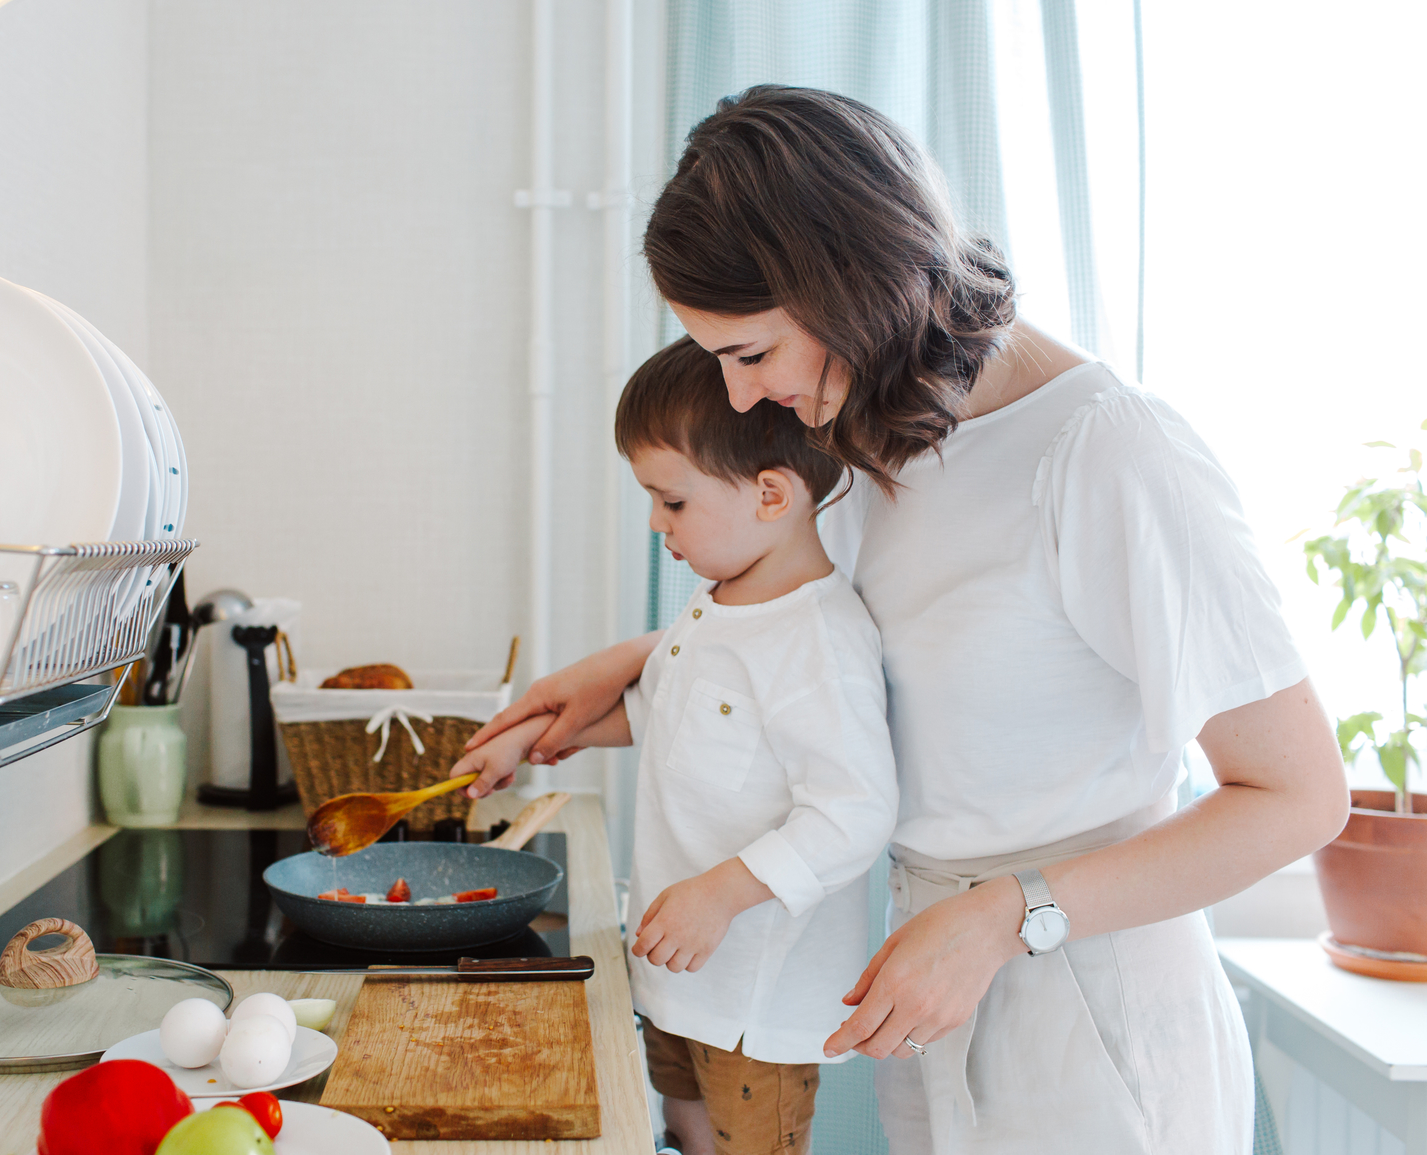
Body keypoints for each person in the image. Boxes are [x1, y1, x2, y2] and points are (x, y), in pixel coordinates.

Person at [467, 86, 1349, 1154]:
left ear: (849, 285)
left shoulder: (1110, 453)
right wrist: (626, 677)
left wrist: (1001, 917)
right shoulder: (869, 433)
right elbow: (872, 668)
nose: (739, 401)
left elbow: (1296, 798)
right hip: (931, 978)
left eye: (750, 355)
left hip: (1086, 1012)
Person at [452, 336, 898, 1155]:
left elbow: (855, 812)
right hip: (674, 976)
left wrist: (721, 894)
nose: (657, 522)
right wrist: (535, 738)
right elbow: (662, 713)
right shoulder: (716, 603)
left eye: (673, 501)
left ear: (771, 495)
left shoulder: (816, 643)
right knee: (682, 1129)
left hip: (750, 1007)